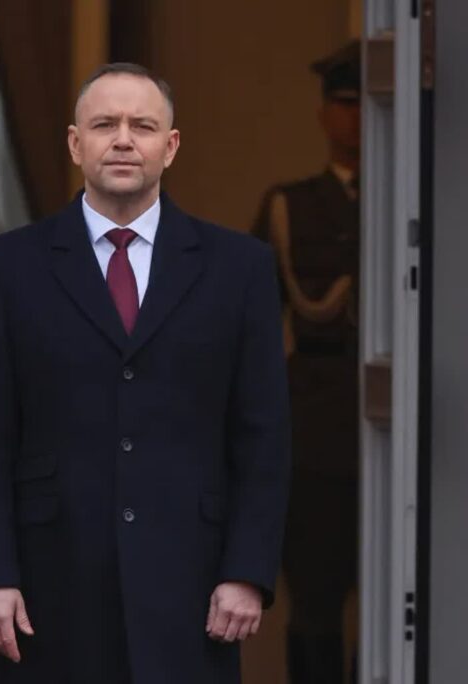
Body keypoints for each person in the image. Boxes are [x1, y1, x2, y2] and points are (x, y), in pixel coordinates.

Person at [0, 63, 291, 683]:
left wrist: (247, 570)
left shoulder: (239, 267)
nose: (124, 140)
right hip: (52, 577)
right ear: (75, 143)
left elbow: (262, 434)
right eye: (104, 124)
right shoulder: (6, 267)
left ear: (172, 145)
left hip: (195, 579)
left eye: (143, 126)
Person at [252, 41, 361, 684]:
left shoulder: (420, 198)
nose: (356, 118)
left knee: (399, 608)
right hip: (314, 430)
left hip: (403, 429)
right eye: (344, 104)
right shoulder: (289, 207)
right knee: (315, 607)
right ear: (324, 114)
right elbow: (253, 329)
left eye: (365, 103)